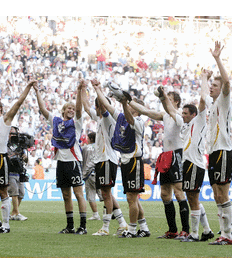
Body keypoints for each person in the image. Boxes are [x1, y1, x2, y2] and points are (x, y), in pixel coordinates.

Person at [158, 70, 213, 242]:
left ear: (193, 115)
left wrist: (204, 78)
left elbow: (203, 99)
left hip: (195, 163)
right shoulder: (184, 123)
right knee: (191, 197)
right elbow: (169, 109)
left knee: (192, 197)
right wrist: (163, 97)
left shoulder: (199, 120)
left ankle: (194, 234)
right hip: (187, 163)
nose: (182, 115)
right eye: (182, 113)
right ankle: (207, 230)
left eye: (185, 113)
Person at [92, 80, 150, 238]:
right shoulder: (122, 118)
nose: (130, 105)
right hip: (125, 161)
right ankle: (144, 228)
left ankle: (131, 230)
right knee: (133, 198)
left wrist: (124, 103)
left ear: (137, 109)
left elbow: (130, 120)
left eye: (132, 104)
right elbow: (107, 106)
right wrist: (97, 89)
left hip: (134, 161)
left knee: (131, 198)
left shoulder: (139, 121)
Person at [0, 79, 36, 233]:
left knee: (3, 191)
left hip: (1, 159)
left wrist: (28, 86)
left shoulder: (5, 119)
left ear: (0, 109)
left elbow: (18, 103)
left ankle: (6, 224)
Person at [129, 90, 189, 240]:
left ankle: (186, 230)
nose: (166, 101)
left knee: (179, 192)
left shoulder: (179, 115)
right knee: (165, 194)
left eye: (170, 99)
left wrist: (163, 97)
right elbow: (145, 111)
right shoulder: (164, 115)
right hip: (166, 155)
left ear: (176, 102)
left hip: (176, 154)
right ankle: (172, 230)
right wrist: (128, 101)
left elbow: (169, 109)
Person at [33, 80, 88, 235]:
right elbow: (43, 109)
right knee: (66, 195)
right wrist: (37, 91)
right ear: (63, 110)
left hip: (73, 162)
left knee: (78, 194)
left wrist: (79, 90)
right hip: (61, 163)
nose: (72, 110)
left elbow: (79, 109)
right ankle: (70, 226)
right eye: (69, 108)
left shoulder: (76, 123)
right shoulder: (56, 121)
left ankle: (83, 226)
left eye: (73, 108)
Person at [81, 81, 128, 236]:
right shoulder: (100, 118)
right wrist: (82, 89)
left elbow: (102, 105)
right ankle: (122, 223)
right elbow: (86, 106)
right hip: (102, 160)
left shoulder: (108, 118)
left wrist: (97, 89)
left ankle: (106, 227)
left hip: (107, 159)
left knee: (106, 193)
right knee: (107, 192)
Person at [207, 41, 232, 245]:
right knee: (217, 194)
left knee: (223, 193)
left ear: (220, 89)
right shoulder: (213, 105)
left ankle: (228, 235)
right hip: (214, 152)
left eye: (214, 85)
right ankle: (223, 233)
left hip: (224, 151)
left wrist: (217, 59)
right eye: (211, 85)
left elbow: (227, 81)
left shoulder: (224, 99)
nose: (212, 87)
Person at [8, 126, 28, 221]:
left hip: (19, 172)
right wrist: (13, 155)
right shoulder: (5, 144)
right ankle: (17, 213)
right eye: (10, 133)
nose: (12, 135)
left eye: (13, 133)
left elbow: (26, 160)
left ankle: (13, 213)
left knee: (21, 193)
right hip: (10, 171)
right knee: (14, 193)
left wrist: (25, 157)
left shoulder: (19, 145)